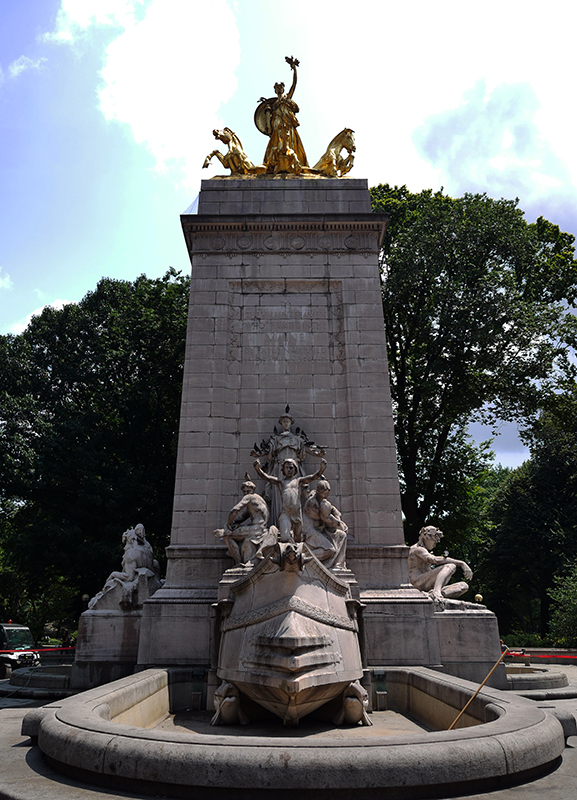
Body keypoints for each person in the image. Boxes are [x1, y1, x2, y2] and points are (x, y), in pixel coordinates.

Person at [254, 456, 327, 543]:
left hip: (297, 515)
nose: (289, 470)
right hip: (285, 513)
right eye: (287, 468)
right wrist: (258, 469)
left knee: (298, 540)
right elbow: (267, 477)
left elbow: (312, 477)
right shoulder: (280, 482)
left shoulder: (298, 481)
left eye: (291, 468)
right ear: (283, 470)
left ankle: (292, 550)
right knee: (285, 538)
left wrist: (321, 469)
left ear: (295, 469)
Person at [260, 56, 308, 174]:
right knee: (277, 138)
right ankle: (274, 161)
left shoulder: (288, 97)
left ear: (283, 89)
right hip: (277, 121)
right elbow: (266, 117)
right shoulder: (275, 104)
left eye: (281, 87)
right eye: (277, 88)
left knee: (290, 139)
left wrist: (294, 70)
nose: (279, 89)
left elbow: (294, 84)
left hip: (288, 122)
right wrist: (266, 106)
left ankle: (292, 160)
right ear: (275, 91)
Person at [213, 477, 275, 566]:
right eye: (244, 492)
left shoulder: (249, 497)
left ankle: (238, 563)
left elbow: (234, 510)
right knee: (229, 533)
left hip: (256, 528)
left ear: (252, 490)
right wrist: (234, 523)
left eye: (248, 491)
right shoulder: (258, 499)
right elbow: (243, 517)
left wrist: (228, 524)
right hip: (259, 527)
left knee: (227, 535)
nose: (246, 494)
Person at [408, 525, 472, 601]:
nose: (435, 544)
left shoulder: (424, 550)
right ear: (427, 537)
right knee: (450, 566)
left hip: (427, 583)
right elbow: (434, 560)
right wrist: (461, 563)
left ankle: (434, 593)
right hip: (417, 582)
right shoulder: (417, 549)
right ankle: (436, 592)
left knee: (463, 586)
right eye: (434, 541)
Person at [302, 480, 348, 569]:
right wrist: (339, 523)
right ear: (319, 491)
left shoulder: (322, 501)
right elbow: (326, 518)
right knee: (330, 550)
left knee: (342, 535)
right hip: (310, 533)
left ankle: (337, 565)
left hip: (321, 530)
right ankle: (302, 557)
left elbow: (331, 510)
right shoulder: (313, 502)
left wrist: (335, 513)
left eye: (327, 493)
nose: (326, 496)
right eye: (324, 493)